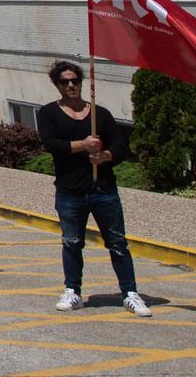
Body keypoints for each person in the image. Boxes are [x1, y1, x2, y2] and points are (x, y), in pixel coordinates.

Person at [37, 60, 149, 318]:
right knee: (72, 243)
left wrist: (106, 156)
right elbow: (52, 144)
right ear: (57, 85)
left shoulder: (101, 114)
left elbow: (121, 146)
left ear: (81, 82)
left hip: (103, 189)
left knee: (118, 243)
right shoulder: (48, 113)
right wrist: (84, 145)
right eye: (64, 81)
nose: (71, 85)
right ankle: (72, 291)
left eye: (75, 80)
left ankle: (130, 293)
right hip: (70, 191)